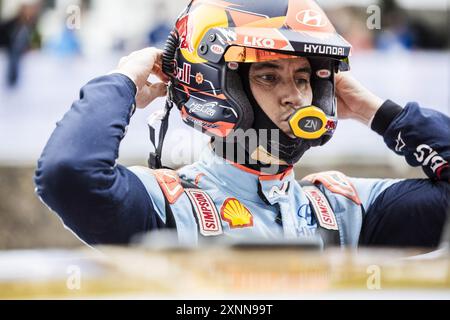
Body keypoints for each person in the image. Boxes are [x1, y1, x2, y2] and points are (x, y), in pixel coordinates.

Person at [34, 0, 449, 248]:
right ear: (220, 89)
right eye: (268, 76)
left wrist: (374, 110)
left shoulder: (342, 210)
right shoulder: (170, 207)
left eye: (303, 78)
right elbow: (68, 173)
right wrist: (124, 81)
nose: (294, 95)